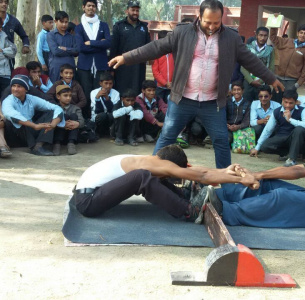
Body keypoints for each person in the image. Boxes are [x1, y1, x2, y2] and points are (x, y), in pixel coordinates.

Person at [108, 0, 284, 168]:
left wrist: (271, 78)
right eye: (208, 22)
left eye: (216, 22)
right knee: (167, 137)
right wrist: (126, 57)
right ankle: (152, 176)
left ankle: (227, 184)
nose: (212, 27)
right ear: (199, 17)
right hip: (182, 99)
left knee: (221, 141)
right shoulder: (182, 33)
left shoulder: (231, 38)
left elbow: (250, 60)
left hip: (212, 102)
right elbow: (155, 47)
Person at [206, 128, 305, 228]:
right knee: (268, 183)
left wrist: (259, 174)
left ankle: (226, 210)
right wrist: (256, 175)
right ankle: (219, 195)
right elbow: (292, 169)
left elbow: (299, 174)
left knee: (282, 196)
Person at [72, 144, 259, 224]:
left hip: (90, 195)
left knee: (148, 177)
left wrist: (225, 171)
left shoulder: (153, 160)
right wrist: (240, 179)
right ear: (169, 164)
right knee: (142, 177)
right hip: (88, 202)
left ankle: (184, 195)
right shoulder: (151, 165)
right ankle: (189, 211)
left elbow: (198, 171)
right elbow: (201, 176)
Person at [2, 75, 64, 156]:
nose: (15, 89)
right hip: (17, 134)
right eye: (13, 86)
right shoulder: (8, 100)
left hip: (31, 131)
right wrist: (34, 125)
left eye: (19, 86)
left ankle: (39, 146)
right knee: (14, 120)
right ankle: (34, 146)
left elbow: (56, 107)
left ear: (26, 89)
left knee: (51, 112)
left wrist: (53, 124)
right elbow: (11, 114)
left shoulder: (31, 98)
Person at [250, 89, 305, 167]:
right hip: (281, 137)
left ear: (296, 102)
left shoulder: (302, 110)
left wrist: (290, 120)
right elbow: (268, 130)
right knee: (264, 146)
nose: (287, 105)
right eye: (286, 102)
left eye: (291, 103)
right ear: (282, 100)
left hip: (296, 138)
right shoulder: (277, 111)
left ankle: (292, 159)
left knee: (299, 129)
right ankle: (288, 153)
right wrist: (257, 147)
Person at [75, 0, 112, 119]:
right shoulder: (79, 27)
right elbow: (80, 47)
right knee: (85, 93)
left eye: (93, 6)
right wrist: (99, 45)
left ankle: (99, 118)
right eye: (89, 6)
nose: (91, 8)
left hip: (100, 65)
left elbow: (108, 43)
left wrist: (91, 43)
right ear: (83, 7)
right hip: (84, 66)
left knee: (100, 91)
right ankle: (86, 119)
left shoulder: (103, 25)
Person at [110, 0, 150, 96]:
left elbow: (148, 46)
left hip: (139, 67)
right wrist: (111, 69)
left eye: (137, 10)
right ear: (127, 11)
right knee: (122, 91)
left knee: (138, 92)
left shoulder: (144, 27)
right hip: (122, 67)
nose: (135, 13)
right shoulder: (119, 26)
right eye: (133, 10)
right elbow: (113, 48)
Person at [269, 19, 305, 103]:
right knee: (275, 101)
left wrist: (298, 84)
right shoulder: (287, 41)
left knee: (288, 103)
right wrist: (275, 22)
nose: (302, 35)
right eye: (301, 33)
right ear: (297, 33)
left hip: (292, 81)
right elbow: (273, 37)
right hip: (279, 77)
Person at [241, 26, 274, 101]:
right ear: (256, 36)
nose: (263, 38)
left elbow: (271, 68)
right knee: (246, 105)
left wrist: (261, 81)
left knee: (261, 104)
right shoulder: (248, 48)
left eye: (265, 36)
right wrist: (251, 81)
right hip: (248, 81)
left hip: (262, 82)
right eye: (261, 35)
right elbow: (243, 66)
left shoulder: (270, 50)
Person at [47, 11, 78, 83]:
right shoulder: (51, 35)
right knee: (56, 89)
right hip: (56, 68)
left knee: (70, 91)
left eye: (66, 22)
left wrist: (66, 48)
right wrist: (70, 51)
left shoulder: (72, 36)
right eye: (61, 22)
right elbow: (55, 51)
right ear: (55, 21)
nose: (64, 24)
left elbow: (76, 51)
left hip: (70, 69)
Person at [53, 85, 84, 156]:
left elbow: (82, 121)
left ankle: (71, 143)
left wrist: (77, 124)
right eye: (65, 95)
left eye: (70, 96)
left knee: (74, 115)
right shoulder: (54, 108)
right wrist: (62, 124)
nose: (68, 98)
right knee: (63, 116)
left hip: (72, 135)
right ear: (58, 96)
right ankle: (57, 144)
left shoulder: (76, 108)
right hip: (58, 134)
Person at [0, 0, 30, 69]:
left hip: (8, 57)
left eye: (6, 2)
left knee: (7, 78)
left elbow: (24, 36)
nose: (4, 4)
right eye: (1, 2)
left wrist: (26, 46)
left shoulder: (13, 20)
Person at [90, 72, 120, 136]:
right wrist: (97, 99)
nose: (108, 86)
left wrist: (107, 99)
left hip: (110, 115)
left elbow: (113, 109)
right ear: (100, 83)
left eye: (110, 83)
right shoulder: (94, 92)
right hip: (98, 116)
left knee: (111, 115)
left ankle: (109, 131)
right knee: (102, 116)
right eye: (106, 83)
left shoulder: (116, 93)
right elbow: (97, 110)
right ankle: (99, 132)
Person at [151, 30, 174, 104]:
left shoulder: (175, 54)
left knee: (169, 105)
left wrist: (172, 82)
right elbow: (155, 72)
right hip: (159, 86)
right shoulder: (157, 54)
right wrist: (165, 83)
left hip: (172, 86)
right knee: (159, 105)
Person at [0, 17, 16, 94]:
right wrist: (5, 53)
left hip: (5, 73)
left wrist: (2, 51)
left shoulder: (4, 36)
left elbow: (13, 51)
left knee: (5, 98)